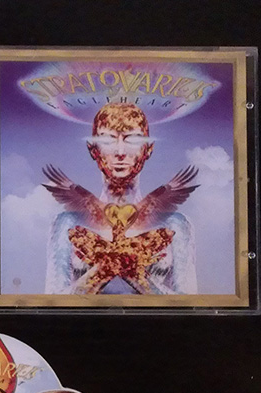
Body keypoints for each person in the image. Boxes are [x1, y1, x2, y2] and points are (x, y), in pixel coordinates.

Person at [44, 103, 197, 296]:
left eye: (132, 139)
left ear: (148, 148)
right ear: (93, 149)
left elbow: (188, 303)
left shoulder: (175, 224)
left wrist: (135, 275)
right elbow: (53, 300)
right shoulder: (67, 223)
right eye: (108, 140)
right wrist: (105, 269)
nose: (120, 152)